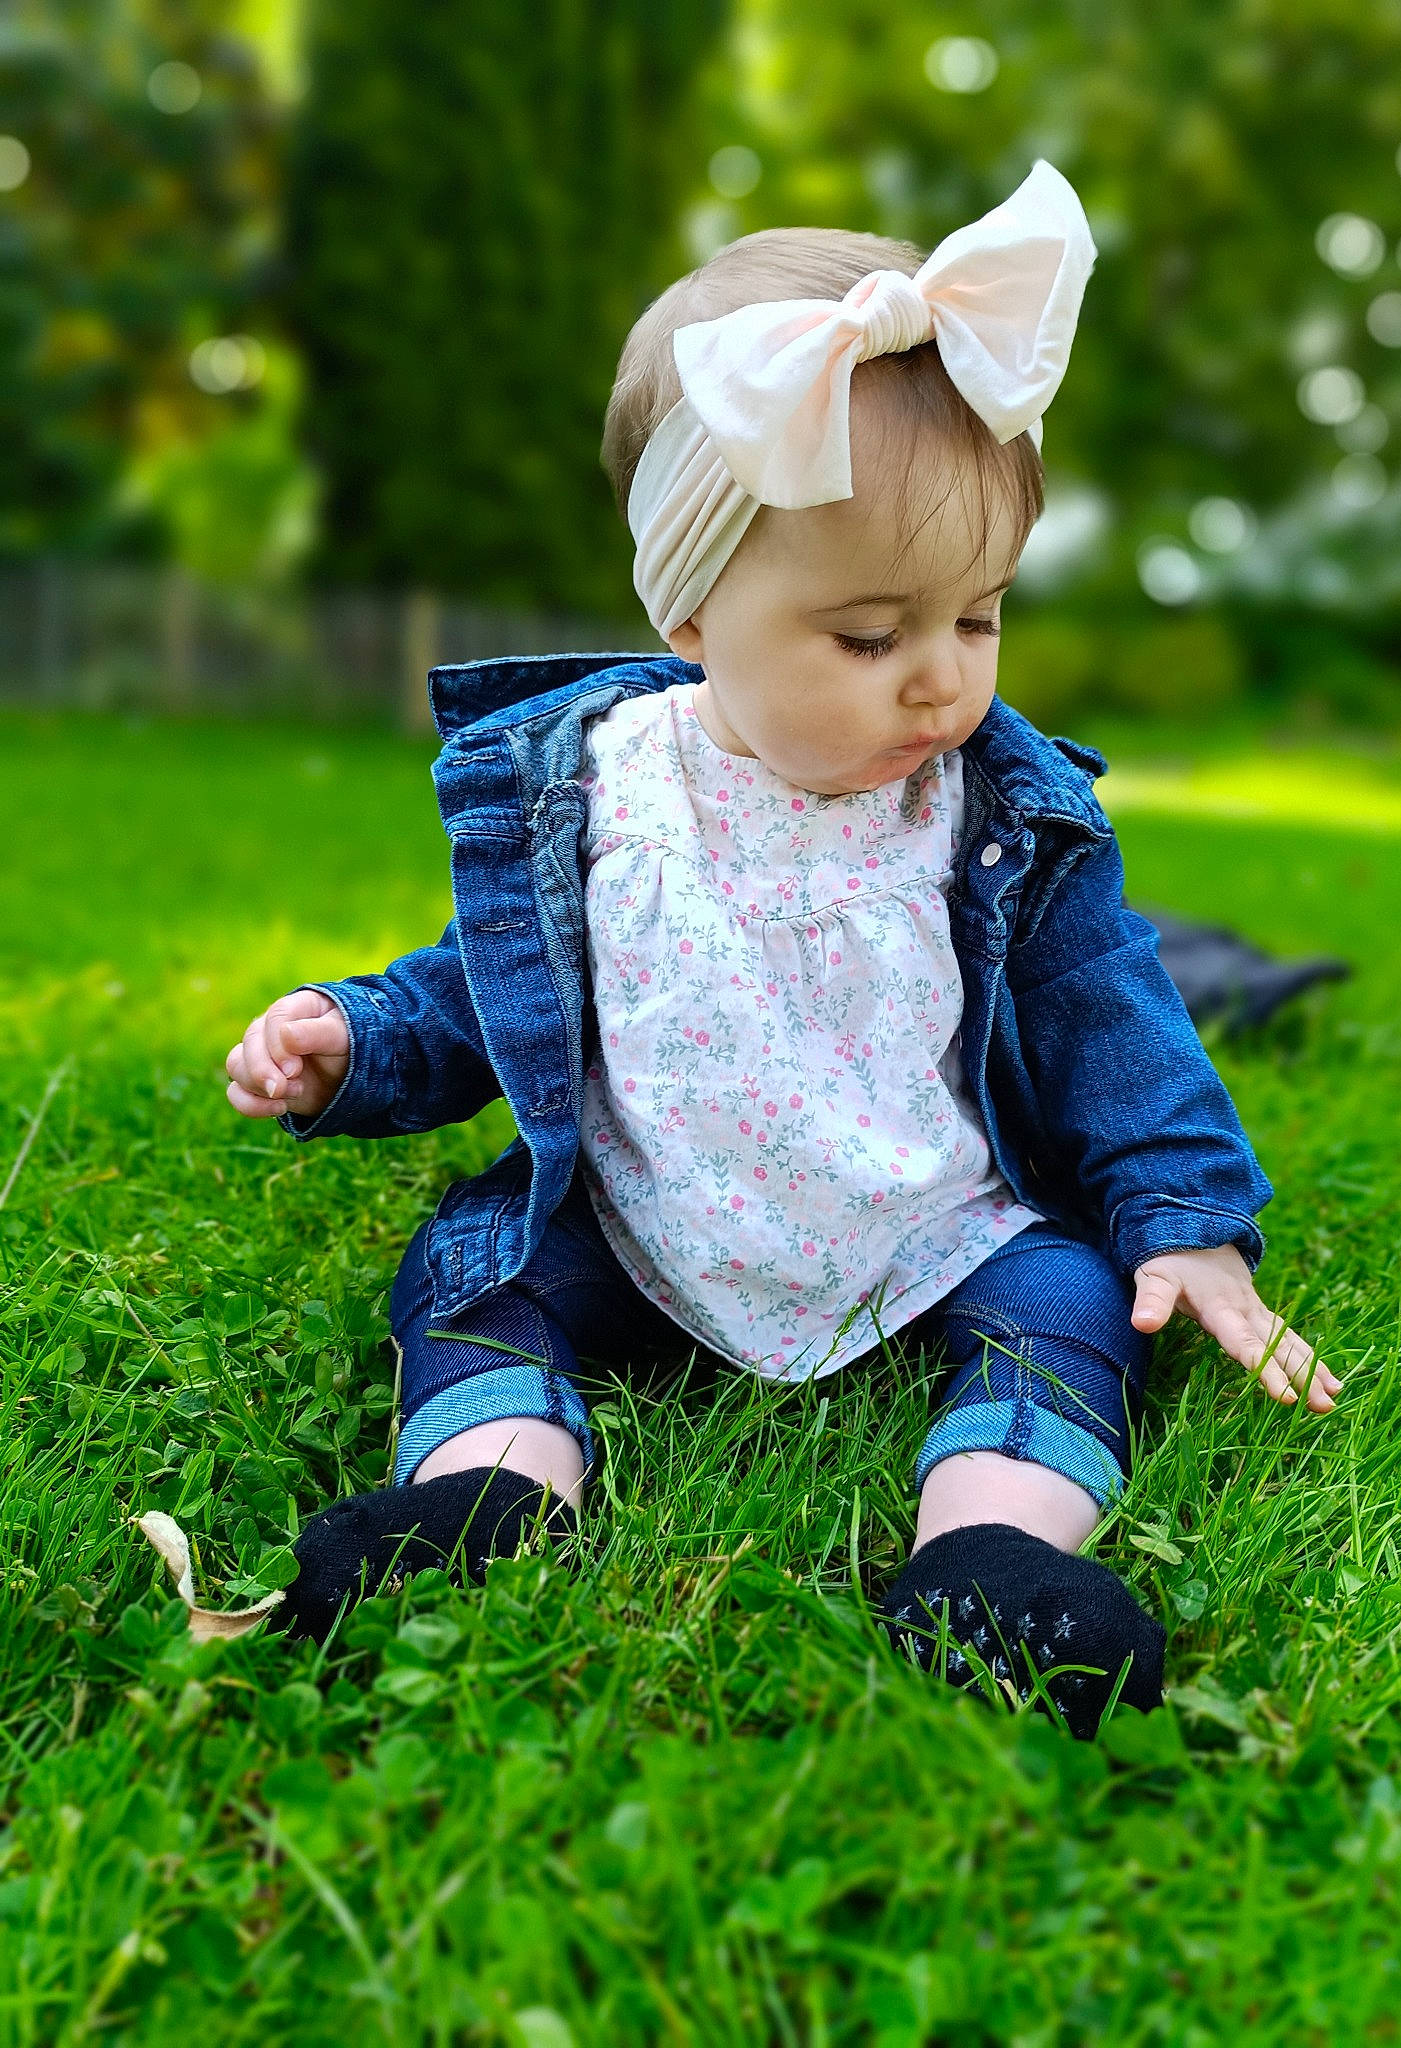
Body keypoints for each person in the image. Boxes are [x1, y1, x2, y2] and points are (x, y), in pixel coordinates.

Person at [224, 163, 1338, 1737]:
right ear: (691, 613)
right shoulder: (598, 792)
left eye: (982, 615)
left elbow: (1112, 1017)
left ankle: (996, 1553)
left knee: (1074, 1300)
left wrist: (1183, 1222)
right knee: (475, 1275)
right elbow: (496, 987)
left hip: (935, 1221)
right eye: (872, 636)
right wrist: (356, 1038)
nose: (941, 681)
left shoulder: (996, 808)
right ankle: (485, 1493)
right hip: (635, 1213)